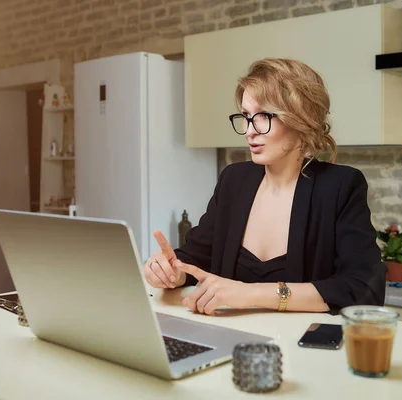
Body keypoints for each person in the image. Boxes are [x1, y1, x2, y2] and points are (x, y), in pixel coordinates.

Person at [143, 58, 386, 315]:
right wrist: (171, 271)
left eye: (263, 116)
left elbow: (363, 288)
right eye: (247, 116)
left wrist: (250, 293)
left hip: (300, 348)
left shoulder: (340, 187)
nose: (249, 130)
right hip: (229, 341)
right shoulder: (234, 181)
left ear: (301, 119)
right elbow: (197, 258)